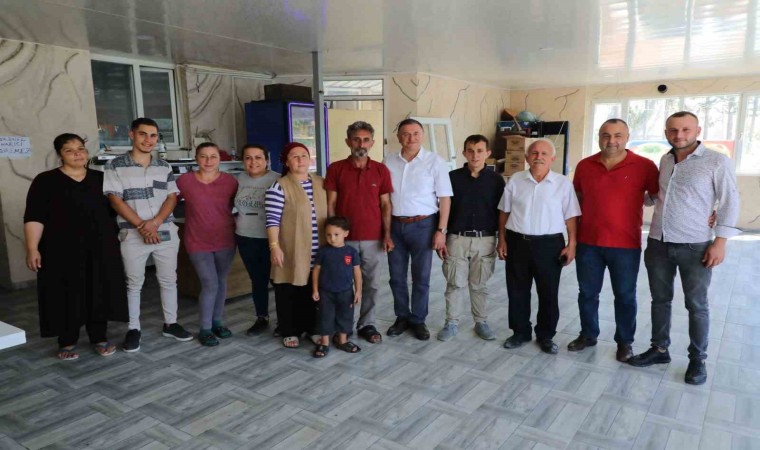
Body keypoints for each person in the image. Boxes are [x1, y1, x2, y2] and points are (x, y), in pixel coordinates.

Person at [628, 111, 740, 385]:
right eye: (673, 130)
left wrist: (720, 241)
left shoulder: (716, 161)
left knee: (697, 305)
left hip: (695, 245)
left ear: (698, 130)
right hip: (658, 243)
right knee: (660, 300)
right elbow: (658, 195)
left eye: (686, 129)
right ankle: (659, 349)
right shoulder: (665, 160)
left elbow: (729, 201)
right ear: (666, 133)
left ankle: (697, 360)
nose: (679, 135)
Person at [24, 133, 127, 360]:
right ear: (60, 155)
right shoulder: (45, 181)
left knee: (99, 289)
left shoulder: (102, 179)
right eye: (69, 150)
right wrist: (32, 248)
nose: (77, 154)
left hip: (100, 248)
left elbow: (118, 211)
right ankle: (67, 341)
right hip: (60, 250)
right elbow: (34, 216)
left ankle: (99, 337)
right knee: (66, 293)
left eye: (80, 148)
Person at [568, 119, 659, 362]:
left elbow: (658, 197)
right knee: (587, 293)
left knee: (625, 296)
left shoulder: (645, 166)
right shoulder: (585, 166)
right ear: (599, 137)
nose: (612, 141)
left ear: (627, 138)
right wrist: (572, 239)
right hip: (589, 243)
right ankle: (588, 335)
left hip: (626, 245)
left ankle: (624, 342)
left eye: (618, 135)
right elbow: (576, 201)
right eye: (606, 135)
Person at [104, 117, 192, 352]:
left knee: (169, 280)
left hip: (165, 231)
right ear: (132, 135)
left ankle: (171, 323)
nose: (148, 140)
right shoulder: (115, 165)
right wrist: (144, 227)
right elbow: (115, 200)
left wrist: (155, 223)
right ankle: (133, 328)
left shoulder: (163, 166)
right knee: (134, 283)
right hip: (132, 234)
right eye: (143, 134)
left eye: (153, 135)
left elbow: (172, 197)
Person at [497, 138, 581, 354]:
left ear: (553, 158)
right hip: (517, 243)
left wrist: (572, 244)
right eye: (534, 153)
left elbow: (571, 216)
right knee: (517, 291)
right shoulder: (516, 180)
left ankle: (546, 335)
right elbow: (504, 211)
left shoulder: (562, 183)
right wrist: (502, 239)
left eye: (544, 154)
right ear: (527, 157)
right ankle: (520, 332)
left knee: (548, 293)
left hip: (549, 246)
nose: (538, 157)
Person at [384, 118, 453, 340]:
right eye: (406, 134)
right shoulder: (388, 161)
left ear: (422, 136)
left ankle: (418, 319)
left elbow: (445, 198)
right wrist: (385, 230)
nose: (411, 138)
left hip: (424, 225)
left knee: (421, 277)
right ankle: (402, 316)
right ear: (398, 137)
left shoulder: (435, 162)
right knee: (396, 276)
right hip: (395, 225)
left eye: (415, 133)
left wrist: (441, 230)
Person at [324, 121, 393, 344]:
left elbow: (385, 205)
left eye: (365, 140)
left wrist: (387, 234)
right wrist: (333, 236)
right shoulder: (336, 168)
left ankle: (367, 324)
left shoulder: (381, 170)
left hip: (373, 238)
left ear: (372, 143)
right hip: (344, 240)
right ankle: (342, 326)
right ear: (348, 142)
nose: (360, 144)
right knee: (343, 285)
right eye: (356, 139)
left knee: (372, 283)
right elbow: (330, 204)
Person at [436, 135, 505, 341]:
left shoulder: (496, 180)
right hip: (457, 238)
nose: (475, 155)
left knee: (479, 284)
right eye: (471, 151)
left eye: (480, 151)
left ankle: (481, 322)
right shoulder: (452, 178)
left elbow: (502, 212)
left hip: (485, 239)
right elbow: (443, 207)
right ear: (464, 153)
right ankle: (451, 322)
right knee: (454, 283)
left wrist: (502, 239)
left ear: (487, 153)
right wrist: (441, 233)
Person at [265, 142, 327, 348]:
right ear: (286, 162)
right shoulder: (279, 186)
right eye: (294, 156)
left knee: (313, 291)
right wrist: (274, 246)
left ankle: (313, 329)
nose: (300, 160)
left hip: (319, 249)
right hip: (291, 249)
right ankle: (289, 330)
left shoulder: (321, 182)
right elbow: (272, 220)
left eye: (304, 155)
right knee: (288, 291)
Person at [176, 143, 238, 347]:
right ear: (196, 158)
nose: (209, 161)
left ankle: (217, 322)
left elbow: (237, 205)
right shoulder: (184, 181)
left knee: (221, 281)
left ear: (220, 159)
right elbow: (168, 202)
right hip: (197, 240)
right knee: (210, 283)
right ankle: (205, 328)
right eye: (204, 156)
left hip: (225, 239)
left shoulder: (230, 181)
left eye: (213, 156)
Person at [235, 144, 281, 336]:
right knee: (257, 280)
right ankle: (262, 317)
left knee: (278, 281)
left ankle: (284, 320)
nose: (253, 162)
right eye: (248, 158)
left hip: (272, 240)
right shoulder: (239, 179)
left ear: (267, 160)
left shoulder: (278, 179)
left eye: (258, 157)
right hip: (246, 237)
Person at [311, 216, 363, 357]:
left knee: (345, 316)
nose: (332, 238)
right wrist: (315, 289)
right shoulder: (323, 251)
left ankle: (343, 340)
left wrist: (358, 291)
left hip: (346, 292)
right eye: (328, 235)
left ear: (346, 233)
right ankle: (324, 343)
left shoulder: (351, 252)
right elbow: (316, 270)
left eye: (336, 234)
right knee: (325, 316)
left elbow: (357, 271)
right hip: (325, 292)